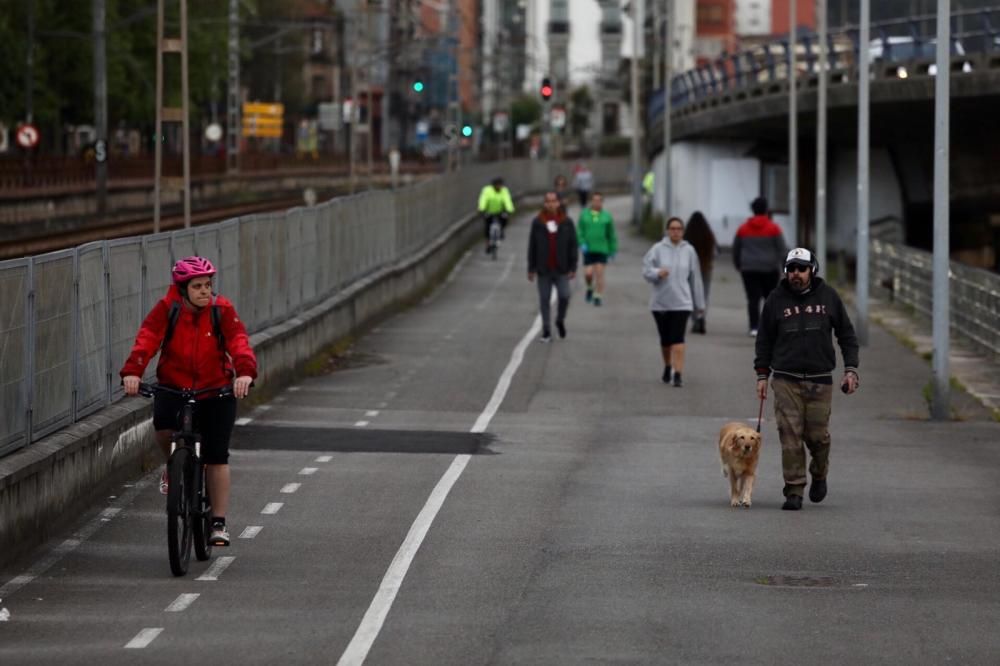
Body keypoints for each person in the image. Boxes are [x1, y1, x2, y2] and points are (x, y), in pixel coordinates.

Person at [120, 256, 257, 547]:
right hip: (173, 387)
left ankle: (218, 523)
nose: (205, 291)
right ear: (183, 289)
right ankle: (173, 466)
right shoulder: (167, 309)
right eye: (197, 286)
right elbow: (147, 340)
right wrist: (132, 372)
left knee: (217, 455)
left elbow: (239, 342)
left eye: (208, 285)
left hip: (215, 390)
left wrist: (244, 374)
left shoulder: (222, 310)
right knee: (164, 430)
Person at [754, 247, 859, 511]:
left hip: (820, 378)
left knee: (817, 437)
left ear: (812, 270)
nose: (796, 274)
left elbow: (846, 335)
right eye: (791, 269)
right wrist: (762, 375)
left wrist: (851, 370)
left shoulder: (828, 297)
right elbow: (764, 340)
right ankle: (794, 490)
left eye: (801, 269)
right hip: (785, 379)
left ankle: (819, 473)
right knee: (790, 436)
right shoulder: (776, 300)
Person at [642, 217, 705, 387]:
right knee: (666, 340)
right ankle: (667, 365)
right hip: (660, 303)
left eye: (679, 229)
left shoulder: (689, 251)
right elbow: (646, 270)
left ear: (683, 231)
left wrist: (700, 304)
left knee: (678, 338)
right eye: (672, 228)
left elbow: (696, 279)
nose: (675, 231)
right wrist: (657, 272)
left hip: (682, 302)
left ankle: (677, 373)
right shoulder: (657, 249)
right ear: (667, 231)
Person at [733, 196, 788, 337]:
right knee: (770, 298)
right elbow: (782, 249)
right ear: (766, 210)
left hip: (749, 268)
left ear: (753, 210)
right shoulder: (774, 228)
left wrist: (738, 264)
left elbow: (736, 248)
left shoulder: (743, 229)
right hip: (770, 268)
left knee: (753, 298)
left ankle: (754, 327)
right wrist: (785, 267)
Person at [528, 191, 578, 342]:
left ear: (558, 203)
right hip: (544, 268)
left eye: (553, 201)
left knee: (564, 296)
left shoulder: (566, 222)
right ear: (545, 203)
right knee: (544, 299)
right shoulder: (538, 222)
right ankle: (546, 330)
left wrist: (573, 267)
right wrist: (531, 268)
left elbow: (573, 245)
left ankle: (560, 319)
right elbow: (533, 246)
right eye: (548, 201)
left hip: (561, 268)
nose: (551, 204)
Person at [576, 192, 618, 306]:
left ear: (602, 202)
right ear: (591, 201)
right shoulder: (584, 215)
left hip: (602, 249)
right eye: (594, 200)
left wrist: (613, 249)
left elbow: (611, 234)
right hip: (588, 250)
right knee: (588, 274)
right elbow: (580, 231)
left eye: (599, 200)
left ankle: (598, 296)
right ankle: (590, 288)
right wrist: (582, 243)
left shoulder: (606, 216)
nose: (597, 202)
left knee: (599, 274)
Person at [683, 211, 719, 334]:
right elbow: (715, 253)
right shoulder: (709, 236)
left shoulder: (687, 236)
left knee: (691, 296)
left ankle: (695, 320)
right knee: (704, 295)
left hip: (689, 271)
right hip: (706, 269)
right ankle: (702, 317)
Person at [478, 176, 515, 252]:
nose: (499, 186)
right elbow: (483, 199)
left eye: (500, 185)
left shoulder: (504, 191)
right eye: (497, 185)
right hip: (489, 211)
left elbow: (507, 200)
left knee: (504, 219)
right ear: (493, 185)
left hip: (500, 211)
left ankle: (501, 231)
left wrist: (510, 209)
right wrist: (481, 208)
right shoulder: (487, 190)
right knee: (487, 226)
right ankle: (488, 243)